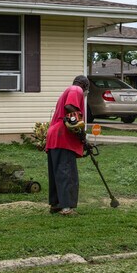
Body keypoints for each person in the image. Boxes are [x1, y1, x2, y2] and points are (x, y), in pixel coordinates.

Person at [45, 75, 91, 216]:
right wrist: (81, 134)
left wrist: (83, 140)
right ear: (85, 86)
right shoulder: (75, 89)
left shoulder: (67, 91)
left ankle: (56, 204)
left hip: (54, 136)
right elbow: (70, 108)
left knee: (57, 173)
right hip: (62, 136)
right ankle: (67, 208)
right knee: (67, 173)